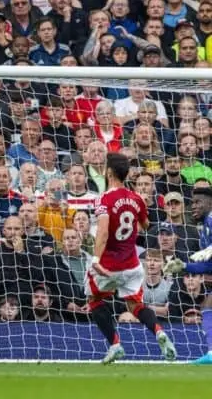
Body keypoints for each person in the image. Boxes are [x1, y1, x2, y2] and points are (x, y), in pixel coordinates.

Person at [87, 152, 176, 364]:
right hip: (132, 264)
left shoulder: (104, 199)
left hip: (109, 264)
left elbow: (103, 232)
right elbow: (146, 226)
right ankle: (159, 332)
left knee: (94, 300)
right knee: (135, 305)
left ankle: (115, 345)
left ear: (108, 171)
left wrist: (96, 260)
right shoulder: (136, 198)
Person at [164, 187, 212, 364]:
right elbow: (208, 266)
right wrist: (184, 266)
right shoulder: (205, 229)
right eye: (192, 203)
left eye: (198, 202)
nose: (194, 206)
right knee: (208, 305)